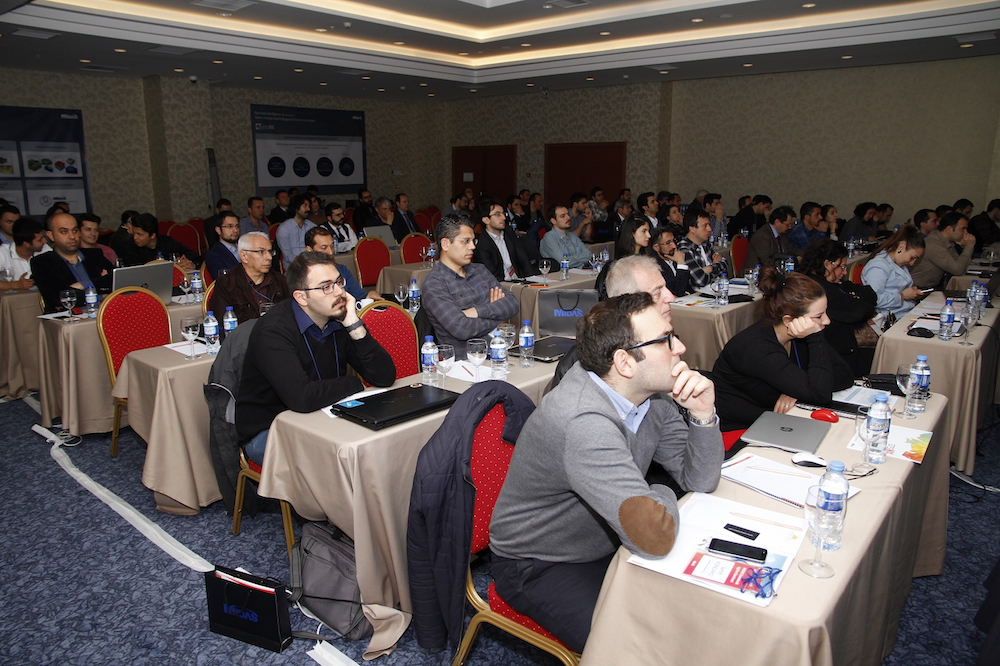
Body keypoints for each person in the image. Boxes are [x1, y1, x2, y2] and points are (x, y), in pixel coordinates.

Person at [489, 292, 722, 652]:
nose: (680, 347)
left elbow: (700, 480)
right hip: (540, 562)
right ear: (625, 363)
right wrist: (660, 492)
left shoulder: (651, 397)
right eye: (665, 340)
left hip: (603, 538)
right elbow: (653, 537)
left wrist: (703, 415)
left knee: (691, 617)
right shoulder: (583, 422)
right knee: (631, 650)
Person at [236, 252, 396, 465]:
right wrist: (353, 384)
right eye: (326, 287)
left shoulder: (337, 318)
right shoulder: (273, 331)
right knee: (339, 461)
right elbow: (302, 398)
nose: (339, 292)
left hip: (325, 415)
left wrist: (354, 325)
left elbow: (385, 376)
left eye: (338, 282)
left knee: (384, 445)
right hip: (269, 429)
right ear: (301, 297)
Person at [712, 267, 854, 430]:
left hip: (774, 418)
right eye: (818, 316)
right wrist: (815, 340)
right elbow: (820, 395)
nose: (827, 321)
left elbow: (845, 374)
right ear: (788, 321)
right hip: (741, 428)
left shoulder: (800, 335)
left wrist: (798, 391)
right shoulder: (758, 349)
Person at [421, 214, 519, 358]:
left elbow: (513, 304)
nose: (472, 246)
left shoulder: (480, 270)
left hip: (500, 354)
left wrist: (476, 311)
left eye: (473, 241)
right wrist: (497, 317)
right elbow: (462, 328)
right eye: (465, 241)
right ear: (445, 244)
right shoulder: (434, 284)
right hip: (465, 362)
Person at [800, 240, 878, 377]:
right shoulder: (820, 289)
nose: (845, 271)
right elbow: (862, 310)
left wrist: (855, 297)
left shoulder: (831, 283)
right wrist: (854, 298)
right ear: (827, 264)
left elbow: (870, 293)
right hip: (836, 354)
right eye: (841, 267)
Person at [31, 212, 115, 312]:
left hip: (105, 312)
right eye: (64, 232)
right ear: (51, 235)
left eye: (75, 231)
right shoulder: (42, 262)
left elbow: (116, 280)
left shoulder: (94, 255)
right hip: (67, 316)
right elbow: (59, 297)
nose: (72, 236)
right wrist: (102, 295)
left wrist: (85, 284)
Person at [209, 231, 290, 323]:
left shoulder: (280, 281)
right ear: (244, 256)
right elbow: (220, 322)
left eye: (270, 252)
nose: (269, 257)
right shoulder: (226, 284)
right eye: (261, 252)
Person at [860, 225, 925, 317]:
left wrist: (912, 293)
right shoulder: (878, 266)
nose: (912, 263)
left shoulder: (898, 263)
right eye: (912, 257)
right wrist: (903, 295)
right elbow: (874, 299)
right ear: (902, 247)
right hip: (890, 317)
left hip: (904, 312)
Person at [303, 226, 380, 301]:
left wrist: (369, 295)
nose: (330, 252)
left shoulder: (342, 269)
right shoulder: (303, 274)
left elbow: (359, 295)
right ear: (309, 250)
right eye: (324, 248)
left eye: (332, 246)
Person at [472, 198, 538, 282]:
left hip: (518, 280)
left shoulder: (509, 232)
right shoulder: (482, 244)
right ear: (486, 220)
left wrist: (533, 279)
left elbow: (523, 258)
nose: (503, 217)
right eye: (497, 214)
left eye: (503, 213)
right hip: (500, 284)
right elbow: (491, 275)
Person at [908, 211, 975, 289]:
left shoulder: (945, 241)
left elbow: (961, 266)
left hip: (929, 287)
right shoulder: (934, 245)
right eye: (962, 229)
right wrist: (968, 247)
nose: (966, 233)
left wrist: (965, 247)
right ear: (949, 229)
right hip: (917, 289)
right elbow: (958, 270)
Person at [120, 213, 199, 268]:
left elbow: (194, 257)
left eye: (139, 234)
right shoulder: (130, 248)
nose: (135, 237)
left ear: (152, 235)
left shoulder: (167, 242)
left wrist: (191, 264)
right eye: (134, 233)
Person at [676, 206, 727, 288]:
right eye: (705, 225)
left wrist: (710, 268)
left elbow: (725, 265)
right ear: (692, 229)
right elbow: (701, 280)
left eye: (709, 225)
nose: (710, 229)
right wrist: (715, 267)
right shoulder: (684, 249)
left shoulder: (704, 244)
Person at [743, 205, 802, 273]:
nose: (790, 227)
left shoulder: (782, 234)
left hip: (777, 271)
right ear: (777, 222)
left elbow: (791, 250)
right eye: (788, 225)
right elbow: (765, 261)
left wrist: (807, 255)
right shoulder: (762, 236)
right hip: (757, 273)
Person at [0, 217, 47, 291]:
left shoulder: (46, 249)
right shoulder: (2, 252)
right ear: (26, 244)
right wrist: (15, 285)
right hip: (14, 298)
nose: (45, 241)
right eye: (40, 239)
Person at [540, 204, 592, 268]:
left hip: (577, 271)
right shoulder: (549, 238)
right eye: (563, 216)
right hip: (560, 273)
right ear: (553, 221)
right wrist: (582, 264)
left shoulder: (573, 235)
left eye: (568, 214)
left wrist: (570, 258)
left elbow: (589, 256)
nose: (568, 217)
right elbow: (564, 262)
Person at [276, 193, 316, 269]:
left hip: (311, 265)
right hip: (292, 267)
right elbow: (287, 256)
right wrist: (304, 262)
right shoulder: (284, 228)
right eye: (305, 206)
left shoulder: (312, 226)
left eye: (309, 206)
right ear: (296, 207)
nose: (308, 209)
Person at [649, 226, 691, 296]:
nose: (674, 246)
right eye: (668, 243)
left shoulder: (676, 258)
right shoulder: (655, 266)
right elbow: (677, 291)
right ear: (656, 247)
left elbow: (690, 286)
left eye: (673, 241)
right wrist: (681, 264)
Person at [204, 209, 241, 278]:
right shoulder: (213, 254)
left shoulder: (246, 248)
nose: (235, 230)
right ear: (218, 230)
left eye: (237, 226)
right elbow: (224, 280)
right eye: (230, 226)